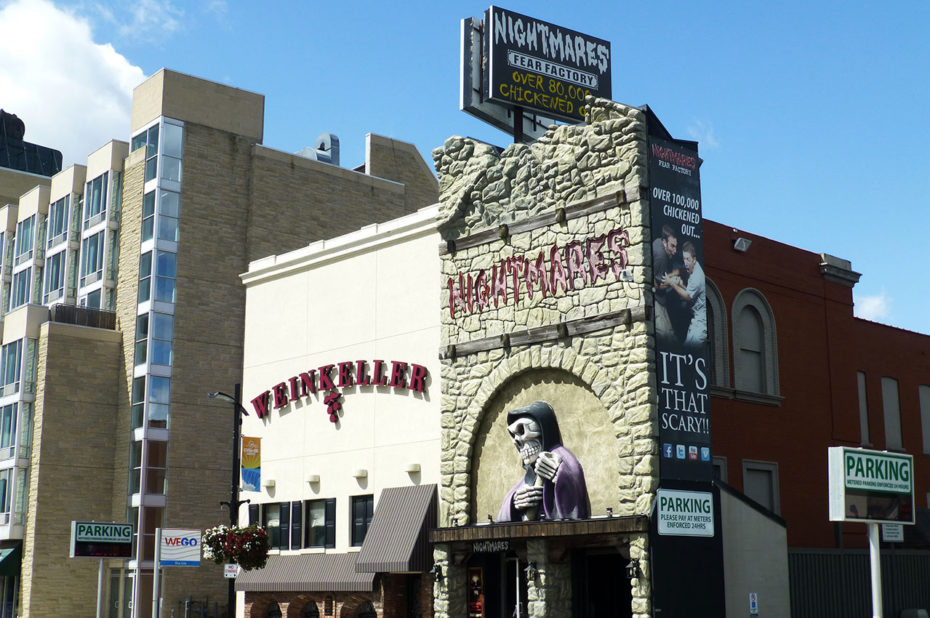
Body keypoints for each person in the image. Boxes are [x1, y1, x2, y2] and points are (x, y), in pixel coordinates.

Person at [497, 401, 590, 522]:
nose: (517, 441)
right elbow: (502, 517)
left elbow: (575, 507)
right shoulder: (531, 473)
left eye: (522, 430)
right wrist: (514, 502)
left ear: (544, 429)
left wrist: (561, 478)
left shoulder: (561, 459)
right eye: (513, 435)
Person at [664, 241, 706, 348]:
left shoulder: (697, 276)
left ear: (694, 260)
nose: (686, 262)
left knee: (690, 351)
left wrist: (672, 283)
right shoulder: (693, 268)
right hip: (695, 320)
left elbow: (688, 296)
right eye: (684, 259)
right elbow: (691, 292)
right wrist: (681, 284)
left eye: (688, 259)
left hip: (700, 322)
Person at [652, 225, 684, 344]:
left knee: (670, 332)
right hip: (655, 299)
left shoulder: (657, 243)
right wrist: (673, 283)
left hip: (660, 299)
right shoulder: (661, 257)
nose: (675, 251)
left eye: (676, 246)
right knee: (663, 333)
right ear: (664, 242)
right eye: (672, 246)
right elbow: (656, 284)